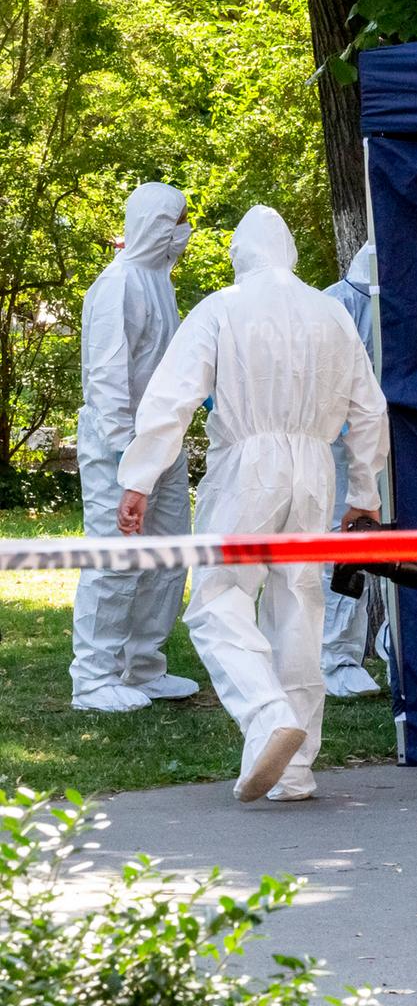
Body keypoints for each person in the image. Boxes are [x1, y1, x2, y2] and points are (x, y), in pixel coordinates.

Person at [116, 205, 390, 803]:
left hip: (247, 468)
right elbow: (370, 409)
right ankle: (294, 771)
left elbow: (172, 395)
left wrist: (138, 477)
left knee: (218, 600)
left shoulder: (223, 308)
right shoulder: (332, 313)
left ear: (240, 254)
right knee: (299, 604)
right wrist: (364, 494)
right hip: (316, 469)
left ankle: (267, 714)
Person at [71, 181, 199, 713]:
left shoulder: (158, 282)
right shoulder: (119, 282)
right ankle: (94, 679)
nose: (185, 232)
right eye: (177, 220)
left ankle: (143, 666)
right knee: (116, 557)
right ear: (153, 223)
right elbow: (107, 377)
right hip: (119, 448)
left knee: (168, 556)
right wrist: (129, 458)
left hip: (161, 444)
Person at [321, 242, 383, 698]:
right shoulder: (334, 306)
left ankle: (374, 643)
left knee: (372, 543)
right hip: (337, 449)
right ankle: (334, 656)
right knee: (342, 542)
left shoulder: (396, 305)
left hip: (380, 442)